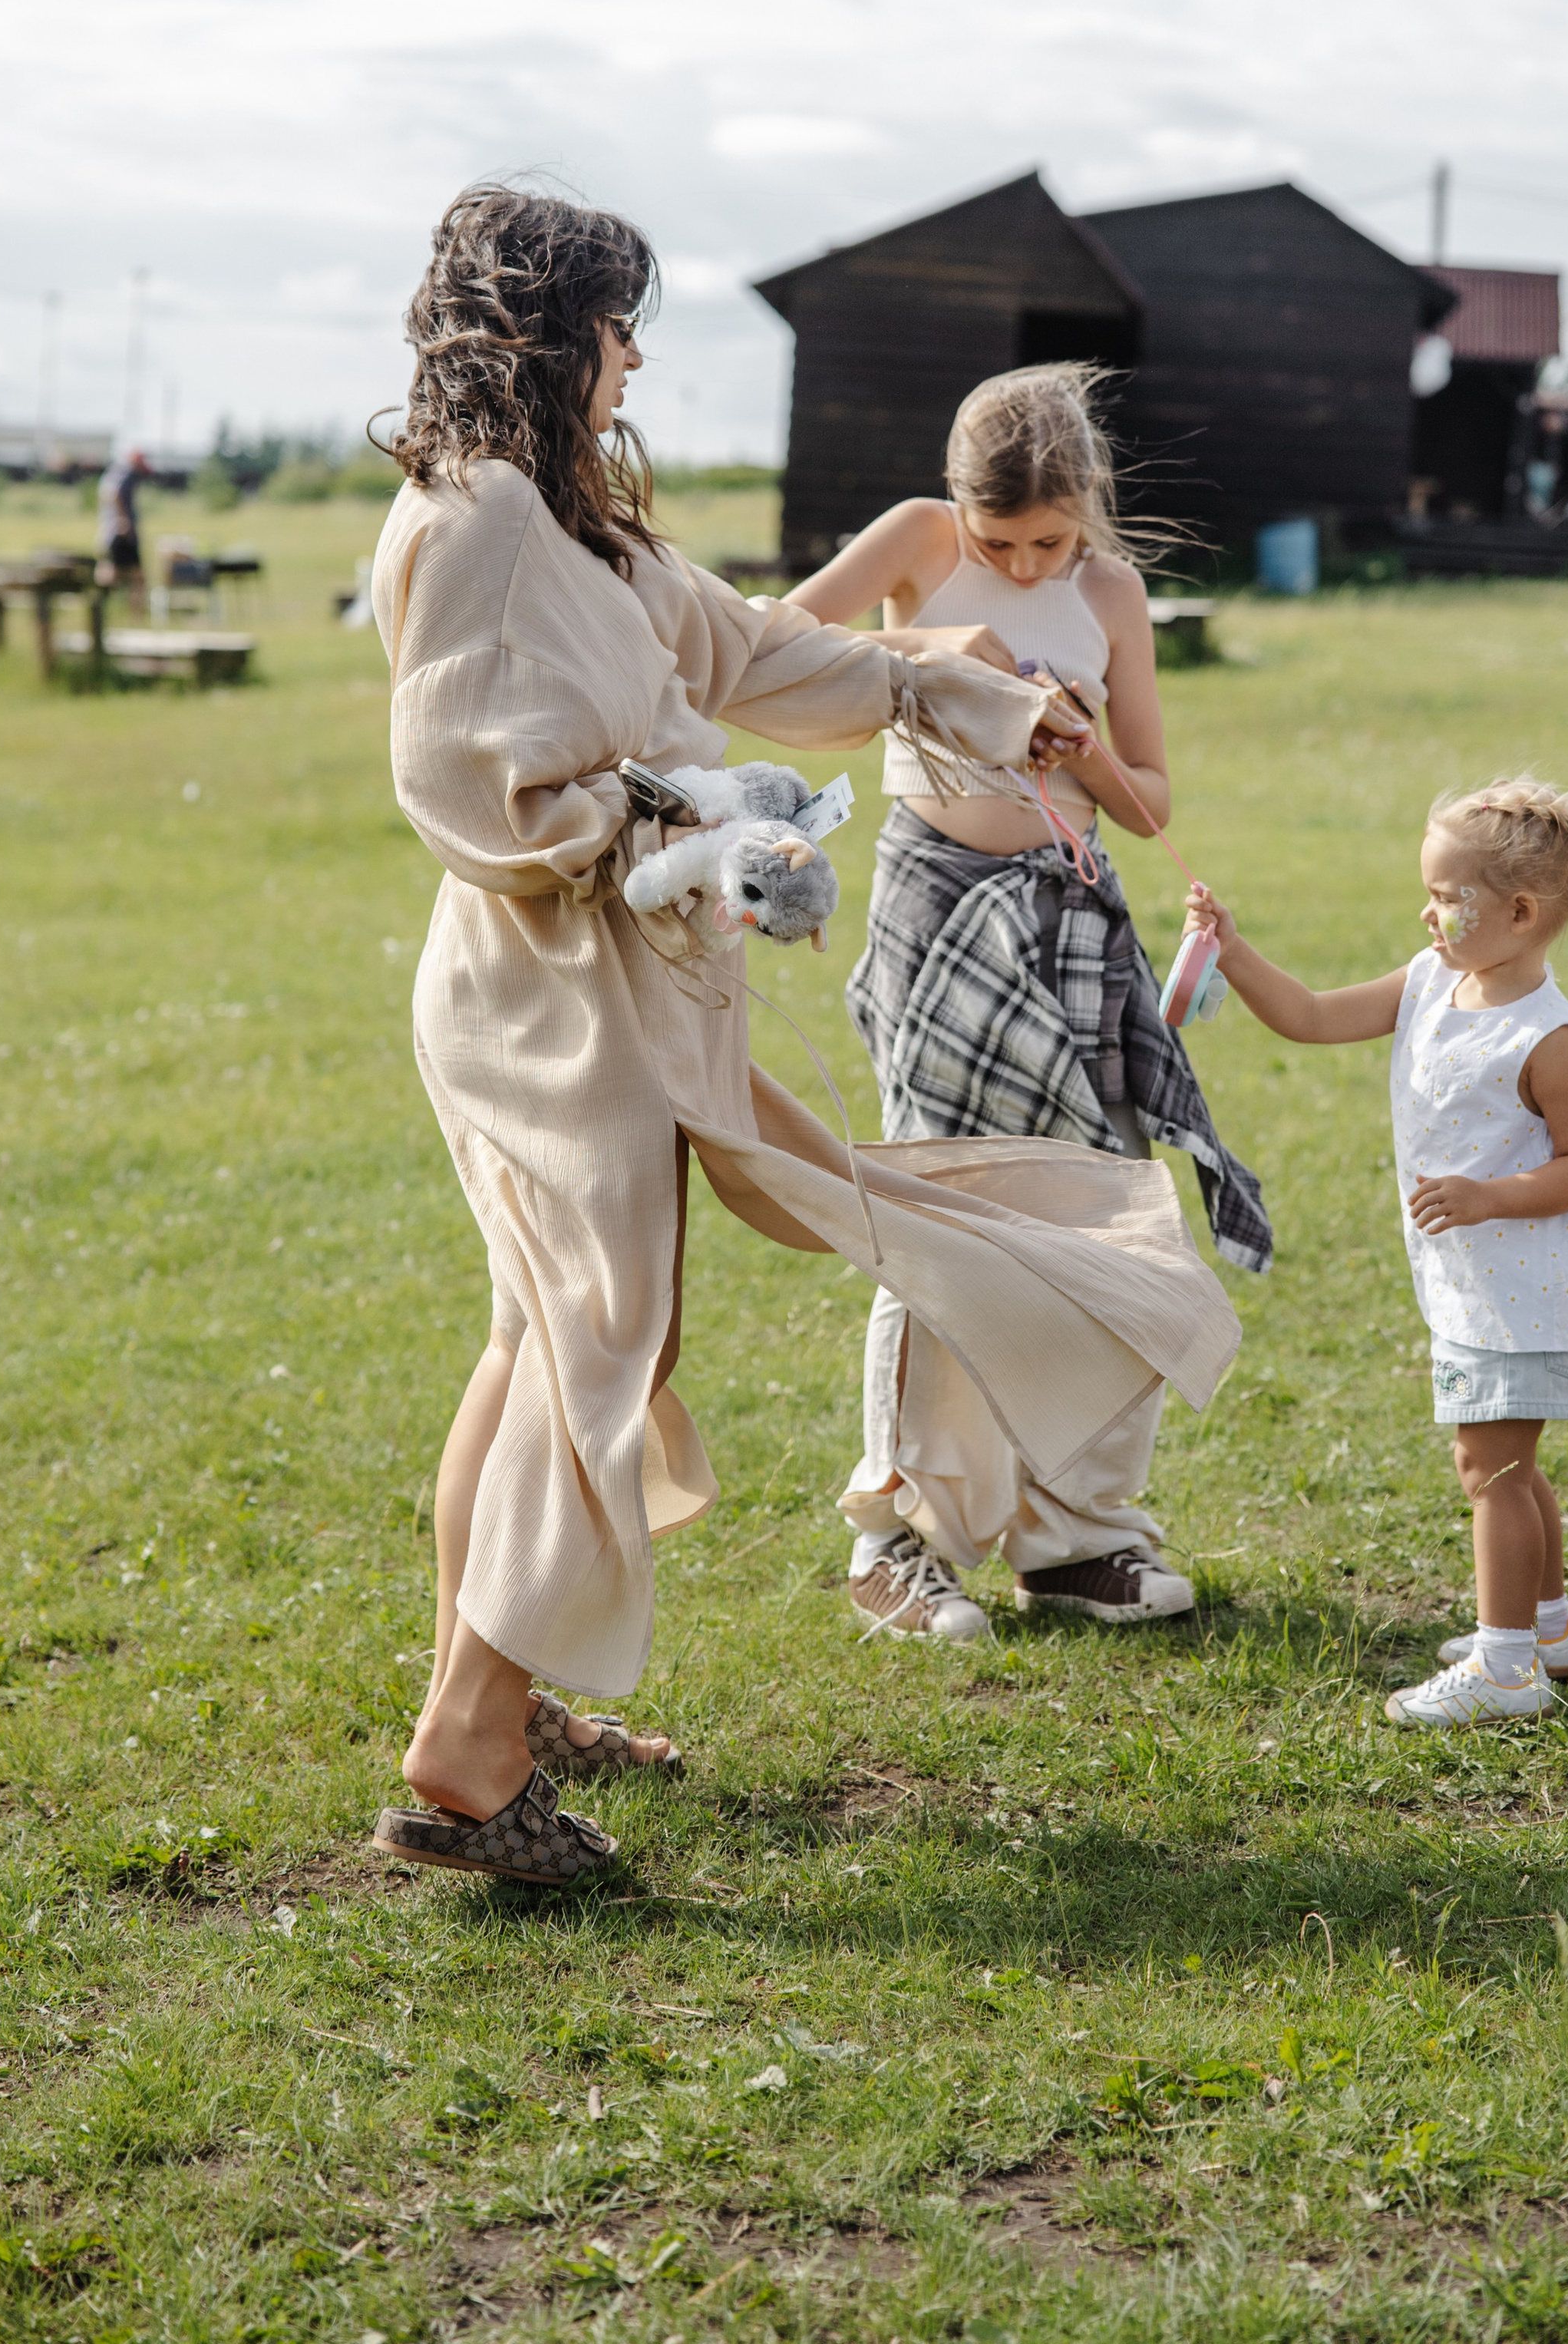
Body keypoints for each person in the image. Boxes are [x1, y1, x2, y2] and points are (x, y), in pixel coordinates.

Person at [365, 190, 1241, 1890]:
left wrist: (968, 693)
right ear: (550, 333)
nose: (635, 354)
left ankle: (501, 1700)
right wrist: (696, 830)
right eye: (618, 323)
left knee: (550, 1343)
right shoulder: (475, 520)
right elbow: (475, 791)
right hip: (552, 998)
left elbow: (758, 647)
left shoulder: (565, 519)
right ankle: (467, 1757)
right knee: (591, 1352)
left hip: (621, 990)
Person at [784, 364, 1269, 1646]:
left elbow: (1152, 801)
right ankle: (899, 1543)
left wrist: (1077, 735)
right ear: (956, 504)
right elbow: (775, 647)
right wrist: (945, 647)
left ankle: (1079, 1540)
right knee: (945, 1209)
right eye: (999, 539)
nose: (1020, 556)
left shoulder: (1110, 593)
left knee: (1101, 1219)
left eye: (1046, 539)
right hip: (937, 906)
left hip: (1069, 911)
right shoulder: (917, 541)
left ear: (1088, 512)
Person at [1180, 776, 1568, 1728]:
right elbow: (1310, 1016)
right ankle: (1549, 1629)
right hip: (1473, 1285)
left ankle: (1505, 1671)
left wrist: (1487, 1195)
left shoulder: (1547, 1039)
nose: (1426, 909)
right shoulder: (1429, 982)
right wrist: (1233, 951)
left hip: (1526, 1291)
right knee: (1511, 1460)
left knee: (1489, 1468)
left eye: (1446, 895)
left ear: (1522, 911)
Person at [97, 445, 151, 609]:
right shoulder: (125, 474)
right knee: (136, 576)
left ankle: (101, 607)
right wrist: (122, 519)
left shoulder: (114, 473)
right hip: (121, 532)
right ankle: (134, 613)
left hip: (111, 530)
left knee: (112, 569)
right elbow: (114, 494)